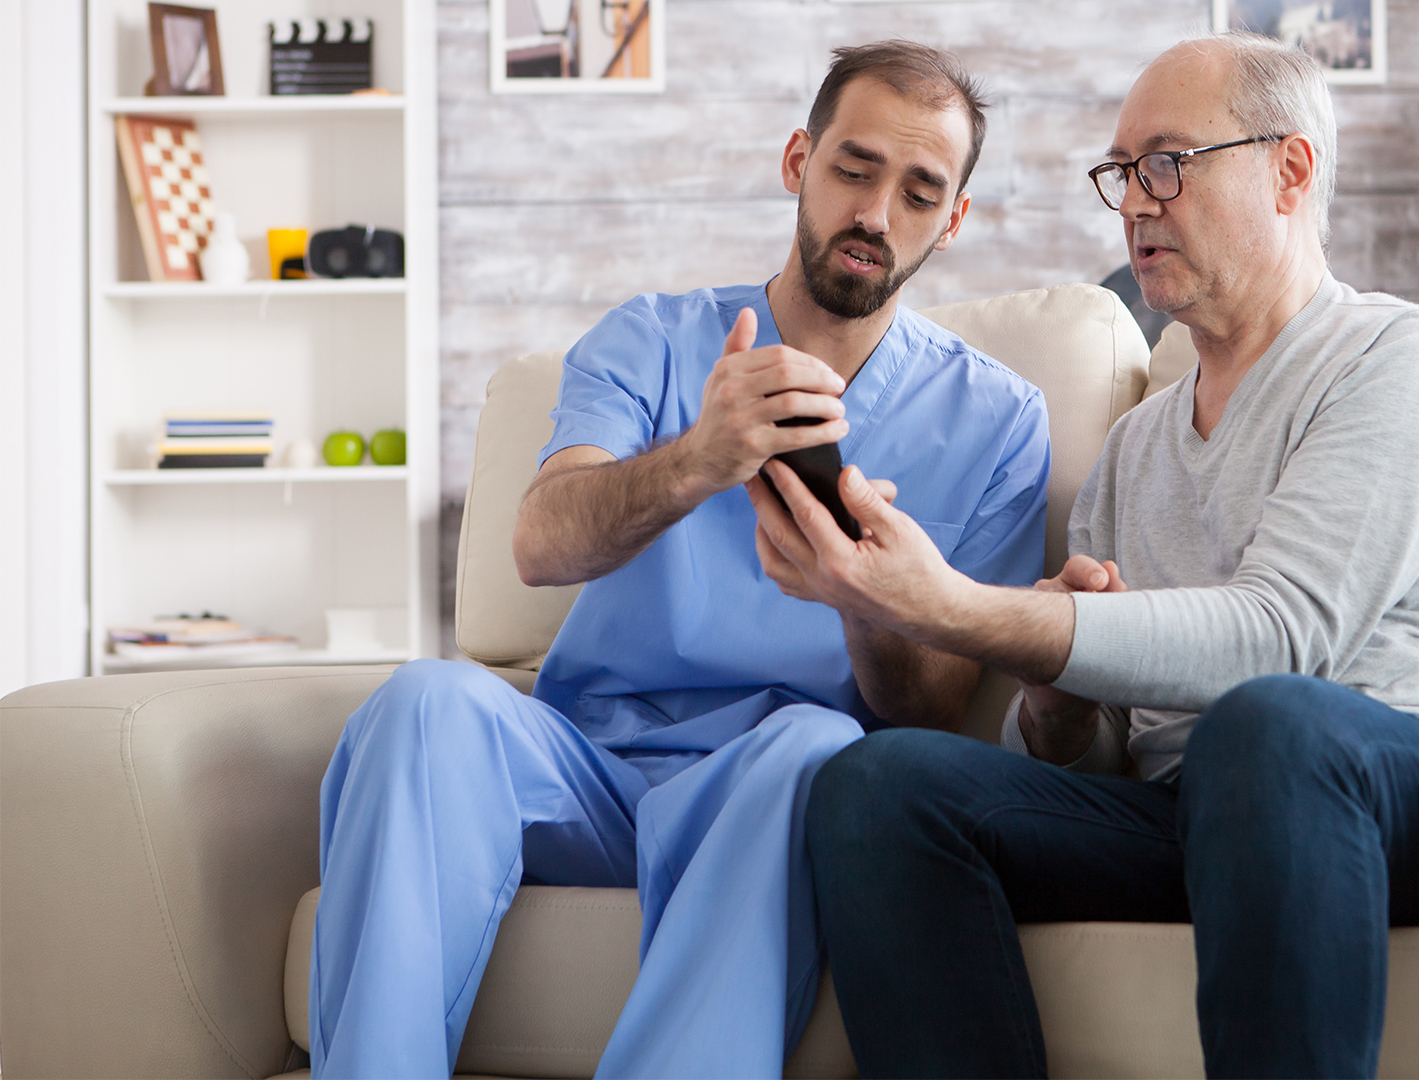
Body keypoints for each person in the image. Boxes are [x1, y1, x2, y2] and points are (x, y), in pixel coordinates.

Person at [749, 33, 1419, 1079]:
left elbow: (1278, 639)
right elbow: (1121, 760)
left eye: (1167, 165)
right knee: (882, 785)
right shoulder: (1137, 447)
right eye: (1122, 176)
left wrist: (960, 608)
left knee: (1268, 723)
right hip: (1216, 811)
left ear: (1290, 170)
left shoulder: (1406, 361)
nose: (1136, 203)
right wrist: (1058, 713)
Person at [307, 41, 1049, 1079]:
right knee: (424, 701)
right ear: (798, 160)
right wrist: (699, 459)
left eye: (920, 190)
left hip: (767, 785)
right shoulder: (651, 339)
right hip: (585, 768)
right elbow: (540, 541)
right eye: (854, 169)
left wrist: (858, 591)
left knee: (811, 748)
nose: (877, 213)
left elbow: (928, 712)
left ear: (954, 218)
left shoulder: (999, 421)